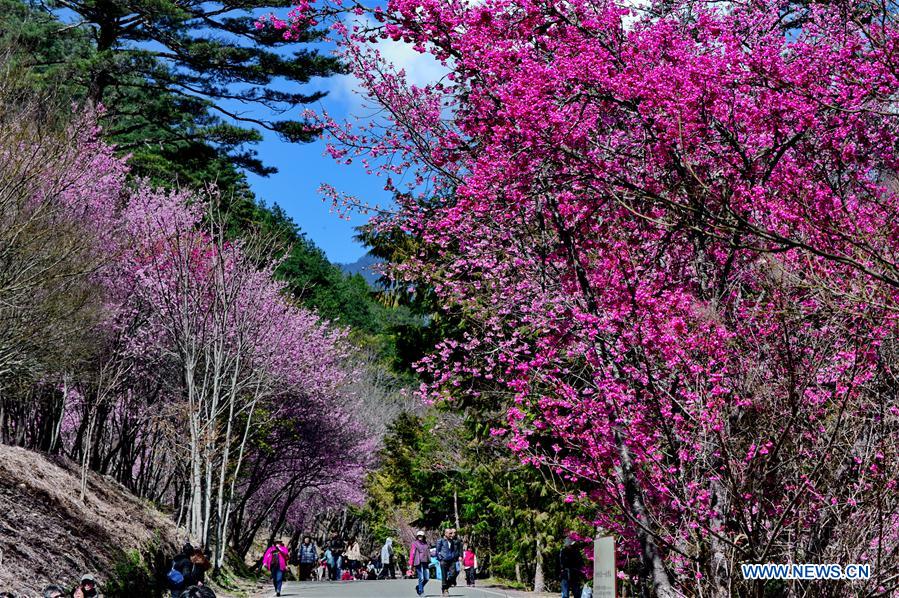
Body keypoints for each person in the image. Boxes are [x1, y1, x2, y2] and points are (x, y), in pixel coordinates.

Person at [436, 528, 462, 596]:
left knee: (453, 575)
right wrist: (441, 559)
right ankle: (445, 590)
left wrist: (454, 556)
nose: (452, 535)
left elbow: (454, 550)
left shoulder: (453, 541)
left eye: (452, 533)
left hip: (452, 560)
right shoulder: (440, 541)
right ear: (445, 534)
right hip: (444, 561)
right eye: (450, 533)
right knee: (444, 576)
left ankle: (445, 586)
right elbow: (437, 551)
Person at [408, 530, 431, 596]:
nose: (420, 537)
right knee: (421, 578)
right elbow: (412, 553)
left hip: (425, 562)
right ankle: (421, 591)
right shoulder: (414, 543)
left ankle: (418, 587)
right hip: (418, 562)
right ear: (417, 536)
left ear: (423, 536)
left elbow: (428, 553)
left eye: (421, 536)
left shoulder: (426, 544)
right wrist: (411, 564)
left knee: (427, 578)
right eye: (419, 536)